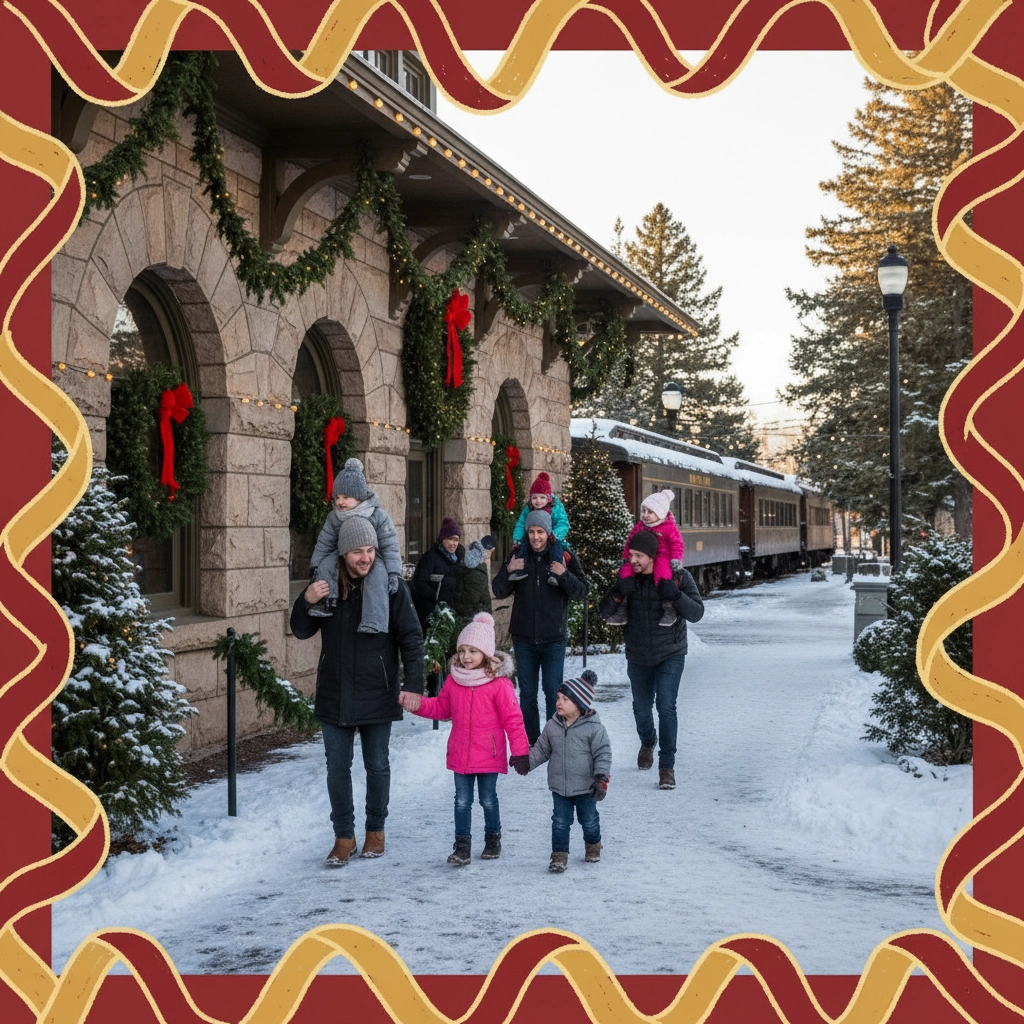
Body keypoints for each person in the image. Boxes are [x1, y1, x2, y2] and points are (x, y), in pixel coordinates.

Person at [291, 516, 424, 866]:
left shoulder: (391, 586)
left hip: (377, 689)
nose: (365, 558)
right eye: (357, 552)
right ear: (343, 553)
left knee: (377, 766)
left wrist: (413, 684)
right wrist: (306, 600)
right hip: (334, 691)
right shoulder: (326, 584)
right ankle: (344, 836)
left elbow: (411, 637)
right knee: (337, 768)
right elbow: (301, 630)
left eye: (370, 550)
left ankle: (375, 831)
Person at [400, 612, 530, 865]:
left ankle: (492, 839)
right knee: (461, 801)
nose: (466, 656)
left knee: (488, 799)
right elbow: (441, 708)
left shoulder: (499, 684)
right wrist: (417, 704)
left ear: (486, 653)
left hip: (489, 754)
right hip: (461, 753)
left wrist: (520, 752)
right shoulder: (454, 680)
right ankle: (462, 847)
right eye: (462, 651)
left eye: (473, 651)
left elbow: (513, 721)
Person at [600, 528, 703, 791]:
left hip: (670, 653)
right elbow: (604, 611)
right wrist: (617, 592)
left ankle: (666, 767)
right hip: (638, 654)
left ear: (652, 556)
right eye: (631, 555)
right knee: (641, 708)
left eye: (638, 556)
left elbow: (697, 613)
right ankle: (648, 741)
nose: (632, 560)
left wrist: (675, 595)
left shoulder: (677, 576)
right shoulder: (627, 577)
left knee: (666, 707)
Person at [491, 508, 588, 745]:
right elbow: (499, 590)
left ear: (548, 533)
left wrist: (564, 575)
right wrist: (508, 571)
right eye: (532, 532)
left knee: (553, 691)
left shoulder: (563, 555)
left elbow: (582, 591)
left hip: (553, 637)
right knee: (527, 693)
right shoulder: (518, 554)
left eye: (540, 532)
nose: (536, 537)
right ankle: (533, 740)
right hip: (523, 638)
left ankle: (553, 739)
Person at [526, 669, 611, 872]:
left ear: (580, 704)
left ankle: (593, 845)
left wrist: (600, 778)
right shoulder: (552, 726)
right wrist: (526, 762)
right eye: (558, 698)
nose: (559, 702)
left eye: (565, 699)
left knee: (588, 821)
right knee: (560, 822)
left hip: (585, 787)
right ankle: (559, 855)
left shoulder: (594, 728)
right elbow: (541, 750)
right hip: (559, 787)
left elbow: (603, 753)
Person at [307, 458, 402, 632]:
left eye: (346, 497)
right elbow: (324, 542)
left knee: (377, 575)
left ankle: (373, 620)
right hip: (343, 555)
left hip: (371, 557)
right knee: (326, 565)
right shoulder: (334, 518)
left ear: (359, 498)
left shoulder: (376, 515)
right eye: (337, 497)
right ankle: (326, 601)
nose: (340, 502)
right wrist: (315, 566)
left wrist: (393, 572)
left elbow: (390, 544)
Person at [608, 489, 685, 627]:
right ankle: (621, 609)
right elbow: (631, 540)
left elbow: (677, 544)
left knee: (663, 576)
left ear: (660, 513)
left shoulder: (668, 527)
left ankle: (669, 608)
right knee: (625, 573)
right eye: (643, 511)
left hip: (661, 556)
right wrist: (626, 556)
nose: (645, 515)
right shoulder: (640, 526)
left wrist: (676, 559)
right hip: (641, 557)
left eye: (650, 512)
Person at [507, 472, 570, 585]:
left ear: (548, 498)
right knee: (522, 548)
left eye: (542, 497)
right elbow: (521, 523)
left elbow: (563, 523)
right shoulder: (528, 509)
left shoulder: (555, 508)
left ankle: (554, 574)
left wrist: (555, 534)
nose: (538, 501)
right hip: (532, 537)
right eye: (534, 497)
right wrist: (518, 538)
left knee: (556, 550)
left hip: (551, 537)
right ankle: (520, 570)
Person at [411, 517, 464, 628]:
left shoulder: (459, 559)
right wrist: (436, 596)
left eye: (456, 540)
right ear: (442, 539)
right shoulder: (430, 557)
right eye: (450, 539)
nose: (453, 543)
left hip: (452, 612)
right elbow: (420, 582)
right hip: (430, 613)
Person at [453, 534, 496, 619]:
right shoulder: (474, 572)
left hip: (476, 620)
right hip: (475, 619)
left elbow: (467, 603)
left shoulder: (475, 573)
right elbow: (467, 602)